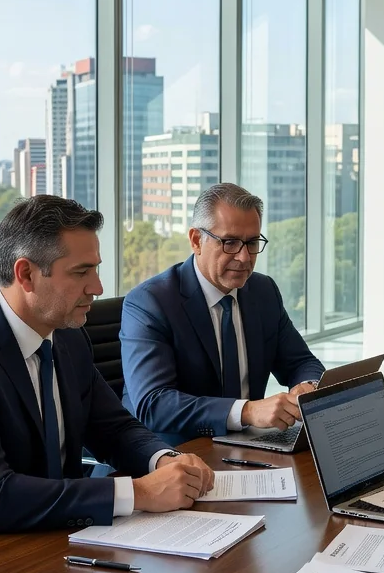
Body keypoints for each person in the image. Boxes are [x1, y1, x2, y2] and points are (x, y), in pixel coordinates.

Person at [0, 196, 214, 553]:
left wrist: (165, 461)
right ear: (25, 274)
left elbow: (114, 429)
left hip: (41, 541)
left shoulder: (67, 336)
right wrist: (141, 492)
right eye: (81, 272)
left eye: (96, 269)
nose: (97, 287)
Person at [121, 183, 325, 445]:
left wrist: (306, 387)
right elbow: (154, 404)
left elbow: (300, 362)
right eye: (229, 242)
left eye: (252, 242)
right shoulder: (150, 302)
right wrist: (248, 411)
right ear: (196, 240)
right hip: (174, 456)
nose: (244, 257)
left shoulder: (263, 291)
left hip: (247, 447)